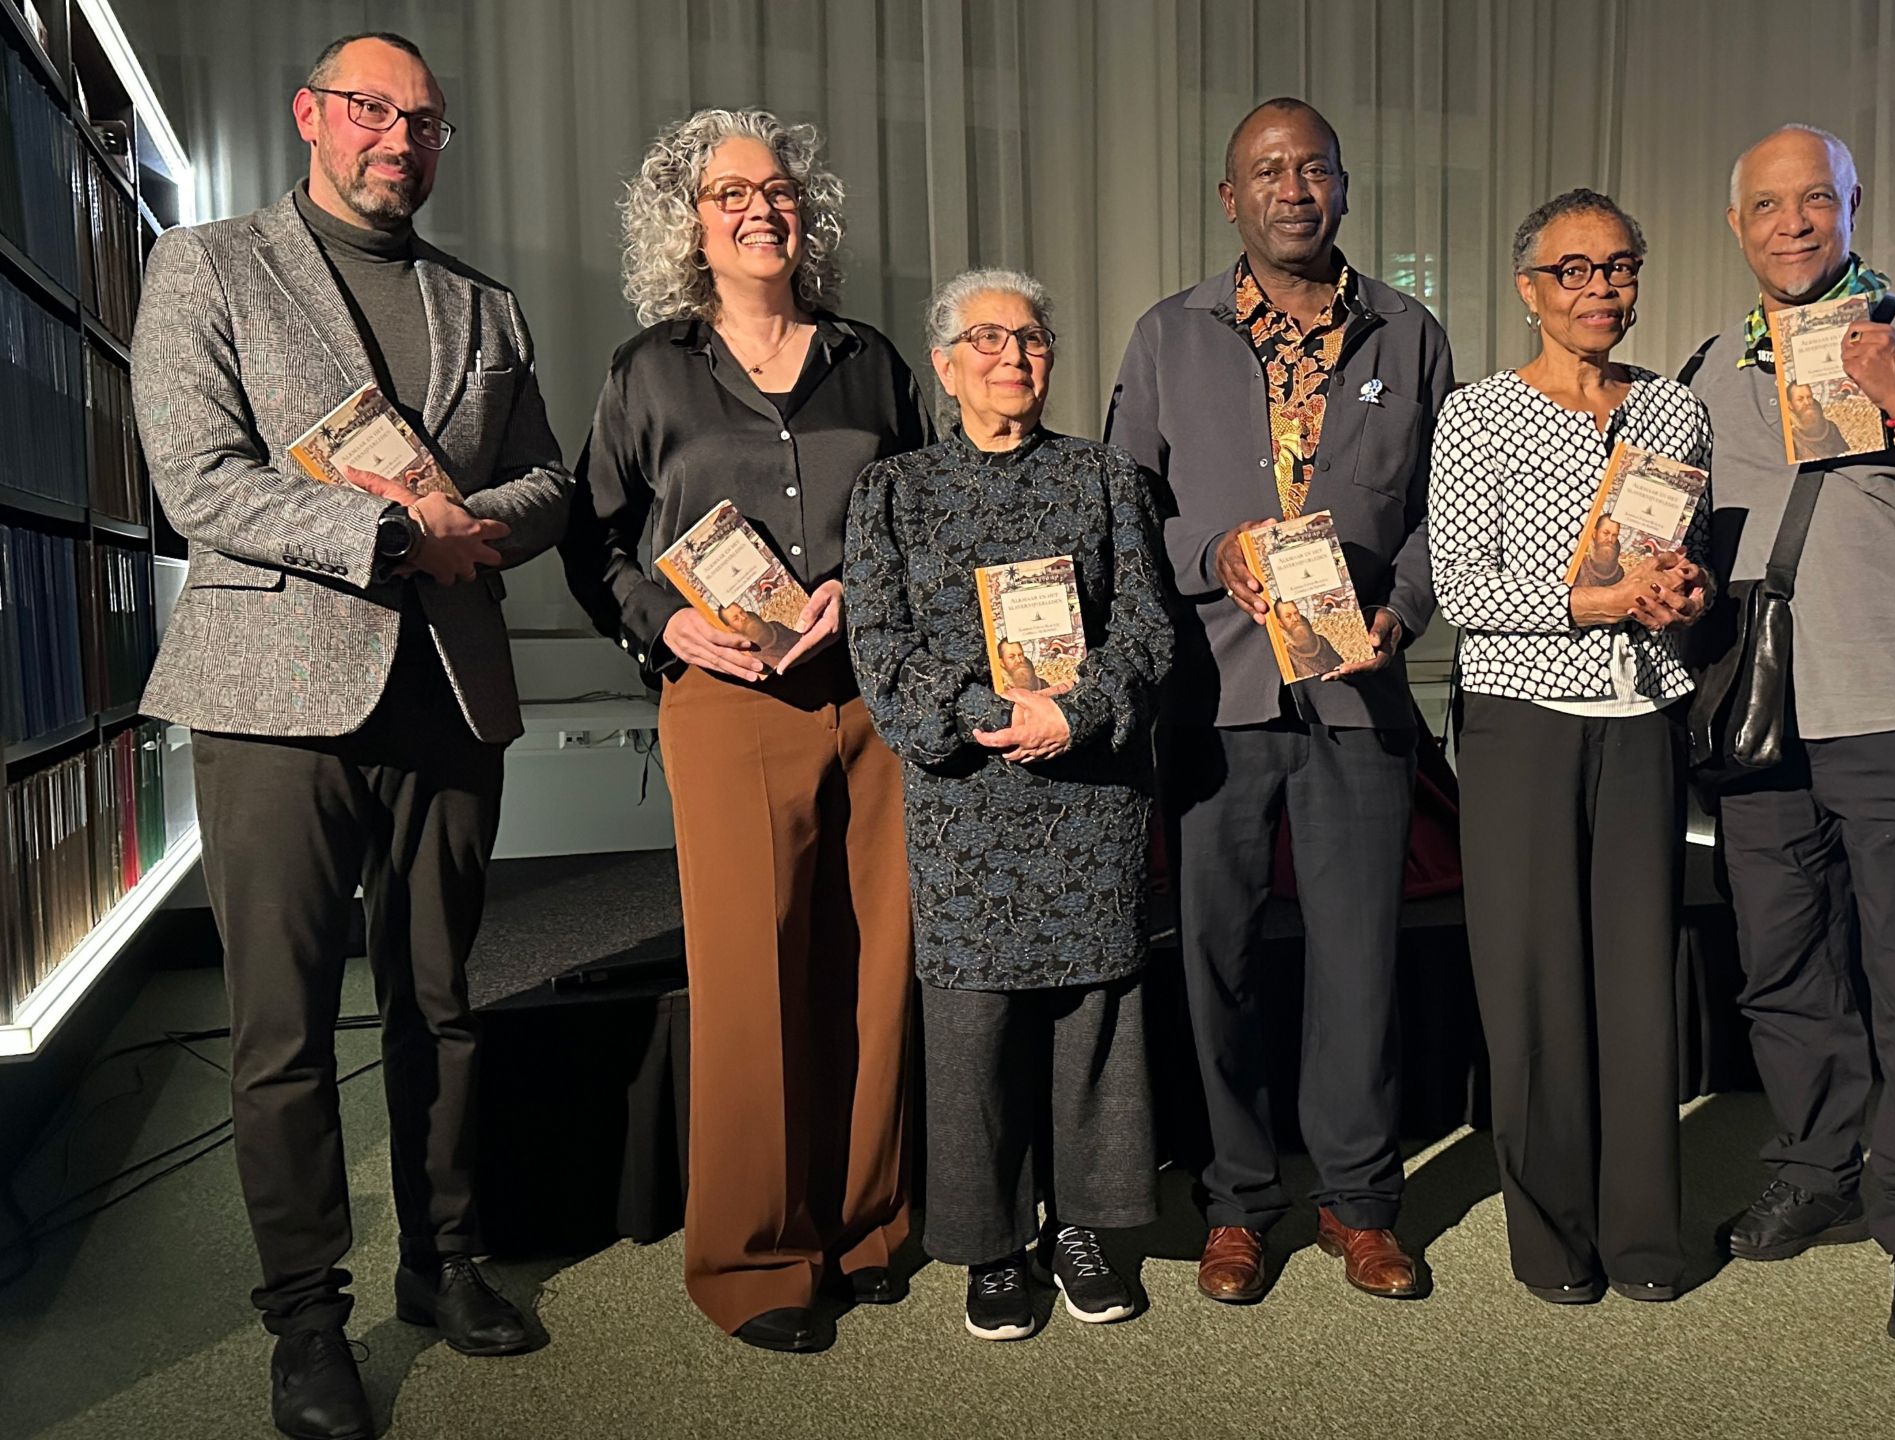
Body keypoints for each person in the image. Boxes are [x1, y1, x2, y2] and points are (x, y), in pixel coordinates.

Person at [130, 32, 569, 1440]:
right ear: (311, 114)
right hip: (275, 698)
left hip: (449, 695)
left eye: (425, 120)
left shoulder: (483, 302)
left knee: (443, 1003)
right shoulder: (208, 265)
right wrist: (394, 535)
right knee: (283, 1029)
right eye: (374, 110)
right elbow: (197, 480)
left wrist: (474, 532)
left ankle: (443, 1264)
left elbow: (549, 481)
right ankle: (306, 1316)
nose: (401, 137)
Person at [561, 107, 928, 1355]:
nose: (759, 209)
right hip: (726, 701)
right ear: (689, 224)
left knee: (879, 965)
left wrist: (870, 594)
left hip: (874, 696)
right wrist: (663, 626)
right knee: (749, 973)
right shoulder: (647, 370)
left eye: (776, 191)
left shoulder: (872, 362)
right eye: (729, 195)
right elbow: (595, 540)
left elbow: (928, 521)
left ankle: (870, 1223)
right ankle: (755, 1255)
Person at [1106, 97, 1455, 1303]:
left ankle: (1360, 1205)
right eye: (1266, 171)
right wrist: (1217, 555)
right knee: (1220, 960)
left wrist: (1399, 615)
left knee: (1360, 958)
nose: (1292, 188)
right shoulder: (1166, 336)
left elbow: (1433, 520)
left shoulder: (1408, 334)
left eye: (1313, 169)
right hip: (1217, 698)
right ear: (1229, 198)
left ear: (1344, 187)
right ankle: (1237, 1203)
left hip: (1358, 696)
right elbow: (1128, 514)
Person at [1688, 125, 1895, 1349]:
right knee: (1784, 974)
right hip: (1763, 719)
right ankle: (1820, 1164)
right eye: (1765, 204)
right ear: (1736, 226)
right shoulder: (1709, 365)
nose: (1790, 223)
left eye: (1812, 199)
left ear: (1851, 205)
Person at [844, 268, 1175, 1344]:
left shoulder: (1107, 478)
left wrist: (1076, 716)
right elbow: (880, 648)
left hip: (1087, 798)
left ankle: (1082, 1227)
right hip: (964, 805)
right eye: (985, 339)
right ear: (943, 366)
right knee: (974, 1029)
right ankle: (989, 1245)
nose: (1013, 357)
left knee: (1093, 1023)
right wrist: (985, 709)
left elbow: (1149, 634)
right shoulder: (891, 493)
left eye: (1031, 338)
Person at [1430, 187, 1709, 1305]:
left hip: (1644, 717)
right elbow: (1461, 589)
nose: (1600, 289)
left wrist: (1681, 592)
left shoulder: (1676, 414)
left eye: (1619, 267)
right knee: (1536, 990)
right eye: (1575, 270)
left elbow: (1677, 568)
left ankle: (1645, 1239)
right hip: (1522, 723)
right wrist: (1591, 603)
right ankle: (1552, 1240)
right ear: (1529, 289)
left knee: (1639, 987)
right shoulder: (1479, 414)